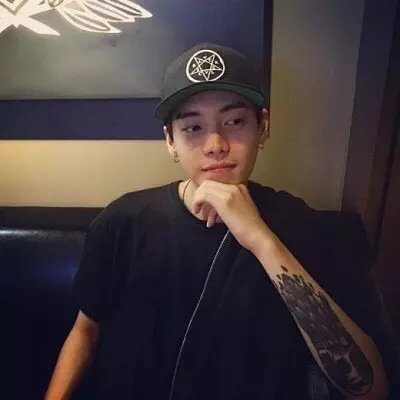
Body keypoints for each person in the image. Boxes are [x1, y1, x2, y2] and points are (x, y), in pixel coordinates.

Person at [45, 43, 398, 400]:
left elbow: (370, 389)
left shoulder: (301, 226)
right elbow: (86, 331)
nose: (215, 144)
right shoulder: (123, 220)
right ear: (170, 141)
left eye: (234, 122)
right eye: (193, 127)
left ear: (263, 126)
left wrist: (260, 239)